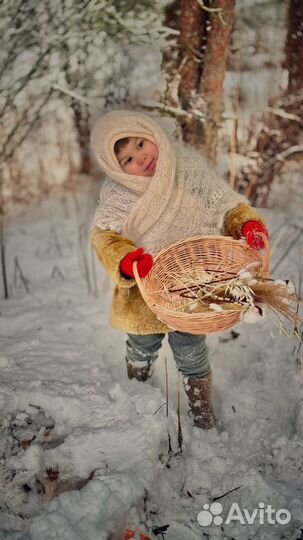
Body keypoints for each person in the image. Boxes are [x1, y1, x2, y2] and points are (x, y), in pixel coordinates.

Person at [90, 110, 269, 430]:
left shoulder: (185, 168)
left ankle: (201, 410)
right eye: (127, 158)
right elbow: (105, 237)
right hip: (145, 288)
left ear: (153, 135)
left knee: (191, 350)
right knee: (142, 345)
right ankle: (138, 392)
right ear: (116, 169)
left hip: (194, 282)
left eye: (141, 144)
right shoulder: (118, 194)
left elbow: (224, 205)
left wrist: (247, 222)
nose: (140, 158)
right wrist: (127, 260)